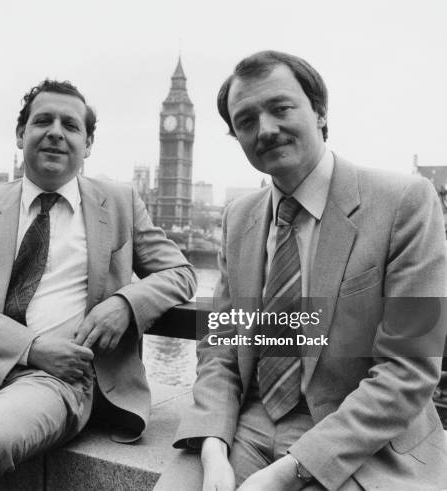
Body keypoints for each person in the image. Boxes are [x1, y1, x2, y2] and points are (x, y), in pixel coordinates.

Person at [0, 79, 196, 489]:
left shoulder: (119, 202)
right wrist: (31, 347)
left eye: (70, 125)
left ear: (88, 143)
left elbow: (180, 273)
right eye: (42, 121)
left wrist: (125, 303)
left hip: (62, 377)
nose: (56, 132)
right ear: (20, 134)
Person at [157, 51, 447, 490]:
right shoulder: (238, 217)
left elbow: (410, 369)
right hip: (249, 424)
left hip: (360, 435)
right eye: (246, 120)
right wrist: (214, 447)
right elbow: (220, 347)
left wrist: (289, 471)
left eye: (280, 108)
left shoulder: (407, 202)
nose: (266, 129)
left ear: (320, 112)